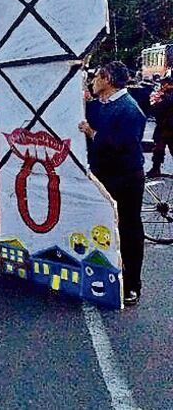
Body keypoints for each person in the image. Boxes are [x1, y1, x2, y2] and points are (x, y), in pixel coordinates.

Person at [79, 61, 147, 306]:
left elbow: (124, 144)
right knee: (102, 226)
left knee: (128, 229)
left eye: (97, 76)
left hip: (126, 177)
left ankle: (132, 285)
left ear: (107, 79)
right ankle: (106, 278)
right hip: (103, 175)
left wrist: (93, 134)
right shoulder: (99, 106)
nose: (93, 81)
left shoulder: (130, 109)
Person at [147, 76, 173, 178]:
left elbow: (168, 103)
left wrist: (161, 98)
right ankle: (155, 168)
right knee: (158, 149)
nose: (162, 86)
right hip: (162, 126)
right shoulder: (162, 94)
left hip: (170, 127)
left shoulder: (167, 95)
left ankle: (155, 168)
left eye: (164, 84)